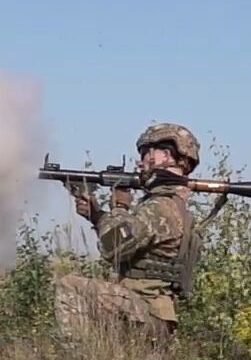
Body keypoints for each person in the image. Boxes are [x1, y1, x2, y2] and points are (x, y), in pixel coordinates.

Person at [55, 122, 202, 341]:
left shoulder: (160, 207)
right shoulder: (171, 206)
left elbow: (113, 248)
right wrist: (97, 216)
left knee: (69, 286)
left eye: (145, 153)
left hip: (147, 312)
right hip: (153, 313)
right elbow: (129, 242)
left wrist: (120, 207)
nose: (140, 161)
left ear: (165, 155)